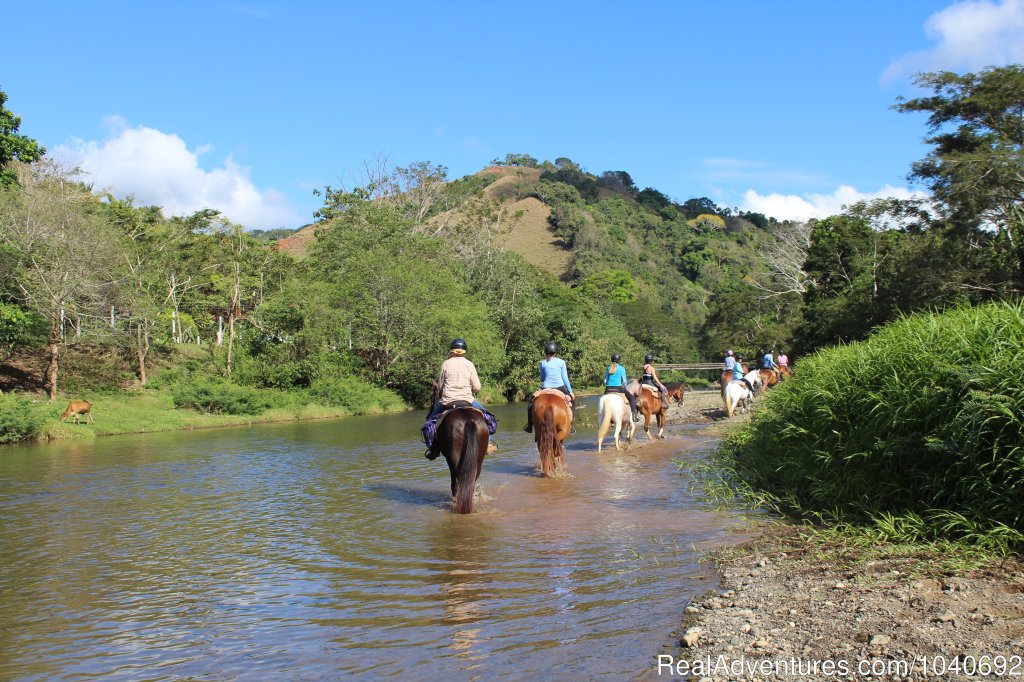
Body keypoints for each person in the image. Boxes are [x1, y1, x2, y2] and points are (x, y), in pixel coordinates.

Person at [524, 341, 576, 433]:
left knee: (531, 403)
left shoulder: (543, 363)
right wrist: (570, 391)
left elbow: (542, 378)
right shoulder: (561, 362)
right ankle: (570, 426)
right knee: (572, 404)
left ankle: (529, 426)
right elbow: (565, 378)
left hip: (545, 388)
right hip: (560, 388)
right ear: (555, 352)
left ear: (546, 352)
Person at [604, 353, 641, 423]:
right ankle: (634, 415)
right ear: (619, 360)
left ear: (611, 360)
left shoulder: (608, 368)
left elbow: (605, 380)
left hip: (608, 389)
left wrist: (608, 384)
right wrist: (624, 386)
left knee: (602, 400)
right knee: (632, 398)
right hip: (618, 388)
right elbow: (624, 381)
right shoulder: (621, 368)